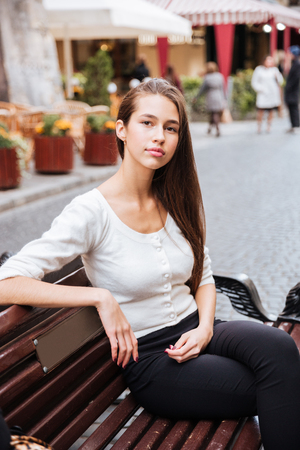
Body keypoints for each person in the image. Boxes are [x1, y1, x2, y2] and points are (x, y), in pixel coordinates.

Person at [0, 79, 299, 450]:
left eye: (170, 128)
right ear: (121, 129)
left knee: (279, 348)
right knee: (279, 383)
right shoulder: (91, 212)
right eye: (147, 123)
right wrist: (99, 298)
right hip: (156, 360)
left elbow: (202, 275)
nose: (159, 136)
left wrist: (205, 328)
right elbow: (6, 281)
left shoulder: (173, 196)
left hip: (198, 331)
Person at [251, 55, 283, 133]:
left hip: (272, 94)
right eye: (268, 60)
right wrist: (261, 89)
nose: (270, 62)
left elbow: (280, 81)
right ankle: (259, 125)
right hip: (263, 93)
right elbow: (254, 82)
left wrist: (277, 76)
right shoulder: (259, 70)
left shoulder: (274, 70)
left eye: (271, 60)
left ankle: (269, 125)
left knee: (271, 109)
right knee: (261, 110)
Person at [193, 62, 226, 137]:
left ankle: (217, 129)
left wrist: (196, 97)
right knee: (214, 113)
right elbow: (223, 88)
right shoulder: (220, 76)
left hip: (211, 96)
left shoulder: (207, 77)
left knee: (214, 113)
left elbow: (202, 89)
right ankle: (210, 128)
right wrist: (224, 99)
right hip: (219, 96)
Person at [285, 45, 300, 133]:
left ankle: (296, 125)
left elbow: (296, 78)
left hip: (293, 91)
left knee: (293, 108)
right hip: (291, 90)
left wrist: (289, 86)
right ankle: (293, 125)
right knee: (291, 107)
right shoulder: (294, 63)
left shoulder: (297, 64)